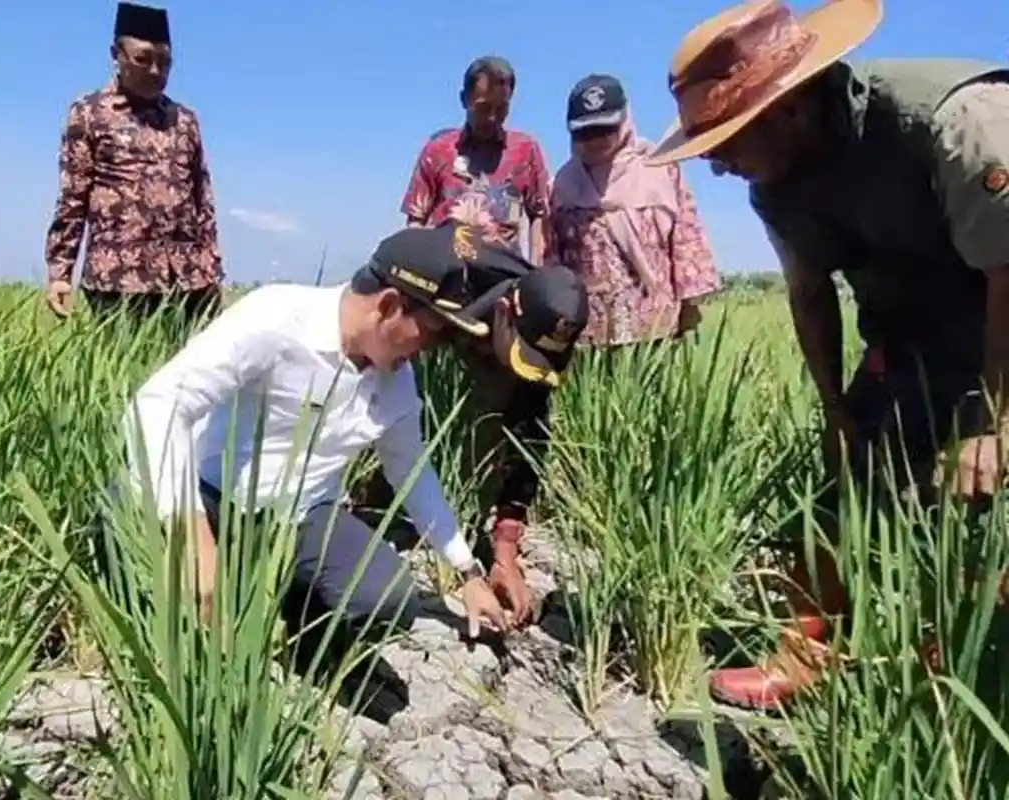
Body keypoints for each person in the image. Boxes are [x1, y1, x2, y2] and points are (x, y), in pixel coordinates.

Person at [647, 0, 1009, 710]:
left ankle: (966, 679)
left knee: (989, 513)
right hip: (915, 337)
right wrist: (836, 409)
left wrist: (996, 424)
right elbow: (809, 291)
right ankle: (808, 653)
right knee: (846, 491)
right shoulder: (775, 182)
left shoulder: (954, 119)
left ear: (788, 109)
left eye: (726, 139)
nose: (715, 163)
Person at [123, 224, 516, 717]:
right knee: (128, 542)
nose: (431, 349)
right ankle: (213, 581)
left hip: (300, 517)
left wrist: (467, 571)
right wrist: (192, 538)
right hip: (207, 497)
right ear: (390, 306)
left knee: (389, 599)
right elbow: (157, 405)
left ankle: (296, 631)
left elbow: (412, 472)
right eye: (433, 331)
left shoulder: (395, 378)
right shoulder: (276, 319)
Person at [350, 223, 590, 630]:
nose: (525, 369)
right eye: (521, 352)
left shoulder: (541, 316)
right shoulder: (449, 279)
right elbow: (365, 321)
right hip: (419, 309)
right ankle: (369, 502)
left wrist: (505, 554)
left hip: (477, 332)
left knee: (501, 405)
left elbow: (527, 441)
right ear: (502, 313)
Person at [44, 2, 223, 327]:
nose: (155, 71)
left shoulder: (184, 120)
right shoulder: (89, 113)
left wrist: (211, 268)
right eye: (143, 59)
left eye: (165, 62)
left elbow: (202, 200)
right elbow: (73, 197)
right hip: (116, 278)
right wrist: (60, 272)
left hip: (185, 281)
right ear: (117, 54)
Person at [548, 74, 720, 349]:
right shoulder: (560, 186)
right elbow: (551, 258)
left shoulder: (659, 170)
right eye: (585, 133)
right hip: (587, 333)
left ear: (625, 121)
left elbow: (686, 238)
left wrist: (689, 304)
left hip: (654, 326)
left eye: (605, 130)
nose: (595, 141)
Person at [401, 57, 551, 262]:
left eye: (501, 109)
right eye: (483, 108)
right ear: (464, 99)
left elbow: (539, 215)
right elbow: (415, 222)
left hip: (503, 276)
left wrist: (535, 271)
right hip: (444, 270)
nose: (492, 117)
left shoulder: (526, 150)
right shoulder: (437, 151)